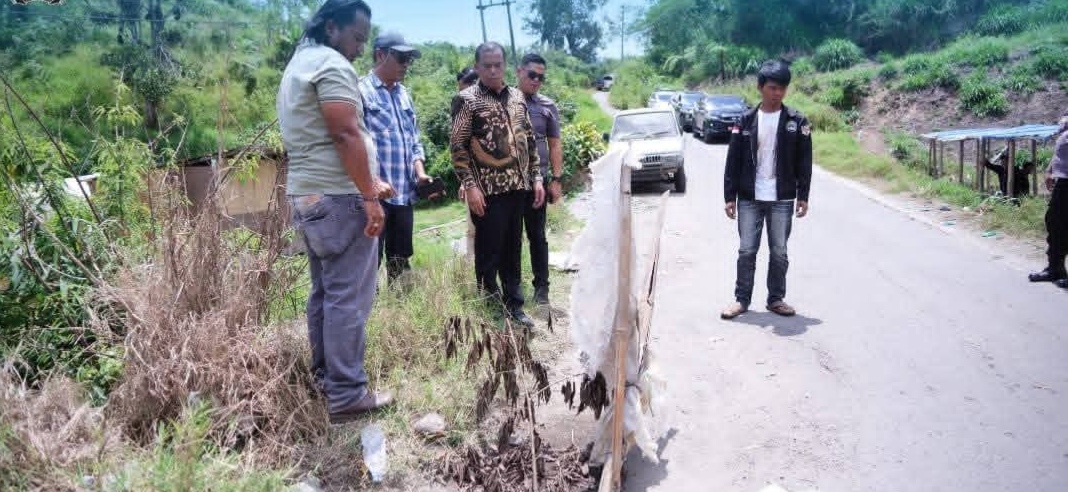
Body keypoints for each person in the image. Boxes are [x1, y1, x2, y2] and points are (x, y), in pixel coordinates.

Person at [276, 0, 393, 424]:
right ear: (331, 28)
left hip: (308, 196)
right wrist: (368, 196)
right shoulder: (331, 64)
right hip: (339, 200)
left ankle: (326, 379)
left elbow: (326, 139)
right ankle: (346, 394)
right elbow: (345, 134)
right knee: (348, 298)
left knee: (325, 292)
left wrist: (367, 183)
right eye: (357, 37)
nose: (361, 48)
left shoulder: (297, 66)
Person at [451, 42, 545, 328]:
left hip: (518, 187)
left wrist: (537, 177)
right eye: (487, 65)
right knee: (489, 250)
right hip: (487, 191)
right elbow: (458, 145)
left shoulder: (517, 96)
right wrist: (470, 185)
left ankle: (514, 305)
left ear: (505, 66)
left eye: (498, 65)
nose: (493, 70)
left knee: (513, 248)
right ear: (477, 67)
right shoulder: (466, 99)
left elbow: (529, 140)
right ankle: (489, 306)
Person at [721, 60, 812, 320]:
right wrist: (730, 197)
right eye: (773, 88)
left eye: (783, 89)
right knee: (747, 250)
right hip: (749, 196)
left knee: (780, 251)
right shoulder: (745, 120)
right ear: (760, 87)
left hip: (782, 197)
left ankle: (776, 299)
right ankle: (741, 300)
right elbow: (733, 161)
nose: (778, 93)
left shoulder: (796, 121)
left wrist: (803, 195)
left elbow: (805, 162)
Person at [358, 31, 437, 284]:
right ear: (381, 55)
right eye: (402, 58)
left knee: (401, 260)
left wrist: (421, 173)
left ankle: (400, 314)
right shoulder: (361, 91)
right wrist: (371, 184)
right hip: (375, 195)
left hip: (404, 194)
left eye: (409, 59)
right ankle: (368, 318)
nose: (407, 65)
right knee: (370, 261)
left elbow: (414, 140)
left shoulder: (404, 94)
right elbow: (354, 144)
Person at [515, 53, 563, 305]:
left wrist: (556, 180)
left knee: (537, 236)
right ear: (518, 71)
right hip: (509, 185)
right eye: (532, 74)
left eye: (541, 77)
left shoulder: (547, 106)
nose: (536, 81)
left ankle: (541, 287)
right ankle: (513, 289)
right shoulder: (504, 103)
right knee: (510, 238)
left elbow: (555, 145)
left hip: (538, 185)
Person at [1028, 109, 1068, 289]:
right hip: (1063, 179)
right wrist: (1050, 170)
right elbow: (1061, 149)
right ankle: (1055, 268)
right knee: (1054, 222)